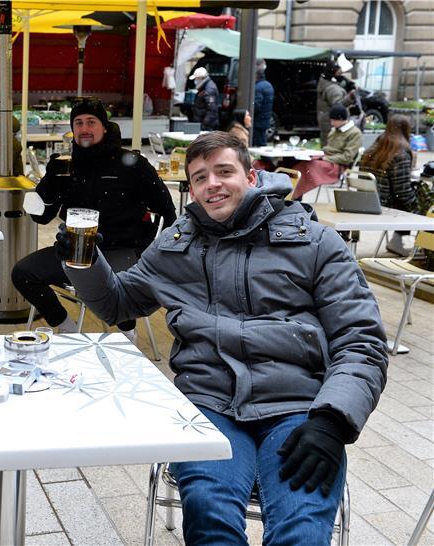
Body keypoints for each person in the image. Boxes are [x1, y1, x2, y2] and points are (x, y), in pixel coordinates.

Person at [59, 131, 387, 545]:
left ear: (252, 176)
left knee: (301, 529)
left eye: (224, 171)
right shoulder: (176, 246)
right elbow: (119, 303)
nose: (212, 183)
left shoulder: (315, 242)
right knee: (210, 517)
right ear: (192, 190)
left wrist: (333, 419)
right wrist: (83, 260)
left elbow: (362, 341)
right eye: (199, 177)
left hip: (300, 411)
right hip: (209, 407)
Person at [11, 98, 177, 341]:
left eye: (91, 122)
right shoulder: (66, 166)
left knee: (120, 286)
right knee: (22, 273)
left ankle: (126, 333)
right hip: (74, 249)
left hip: (121, 248)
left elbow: (168, 212)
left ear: (104, 127)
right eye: (78, 123)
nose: (84, 128)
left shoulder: (133, 164)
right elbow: (42, 217)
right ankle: (65, 325)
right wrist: (49, 182)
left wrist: (145, 251)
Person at [360, 114, 417, 255]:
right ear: (406, 130)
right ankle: (424, 248)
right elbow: (402, 192)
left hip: (368, 200)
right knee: (430, 207)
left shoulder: (373, 149)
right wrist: (419, 206)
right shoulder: (400, 153)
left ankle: (397, 241)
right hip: (386, 204)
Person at [290, 104, 363, 200]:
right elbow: (328, 149)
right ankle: (292, 195)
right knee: (296, 162)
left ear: (341, 119)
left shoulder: (355, 133)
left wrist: (325, 158)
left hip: (337, 166)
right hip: (326, 160)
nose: (332, 123)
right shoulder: (334, 130)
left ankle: (294, 197)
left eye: (334, 120)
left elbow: (347, 157)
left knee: (306, 167)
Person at [317, 59, 355, 146]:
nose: (342, 74)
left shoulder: (326, 83)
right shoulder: (332, 89)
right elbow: (338, 106)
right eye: (340, 72)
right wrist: (350, 98)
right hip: (332, 124)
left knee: (327, 146)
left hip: (327, 122)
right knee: (332, 148)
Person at [189, 67, 220, 131]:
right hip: (203, 122)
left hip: (207, 126)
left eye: (196, 79)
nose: (195, 81)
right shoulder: (205, 87)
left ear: (201, 78)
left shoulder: (209, 89)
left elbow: (212, 110)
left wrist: (204, 125)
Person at [253, 59, 274, 146]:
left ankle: (266, 159)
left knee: (259, 144)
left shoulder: (258, 88)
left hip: (258, 121)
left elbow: (256, 106)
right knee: (262, 143)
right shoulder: (268, 85)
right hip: (264, 120)